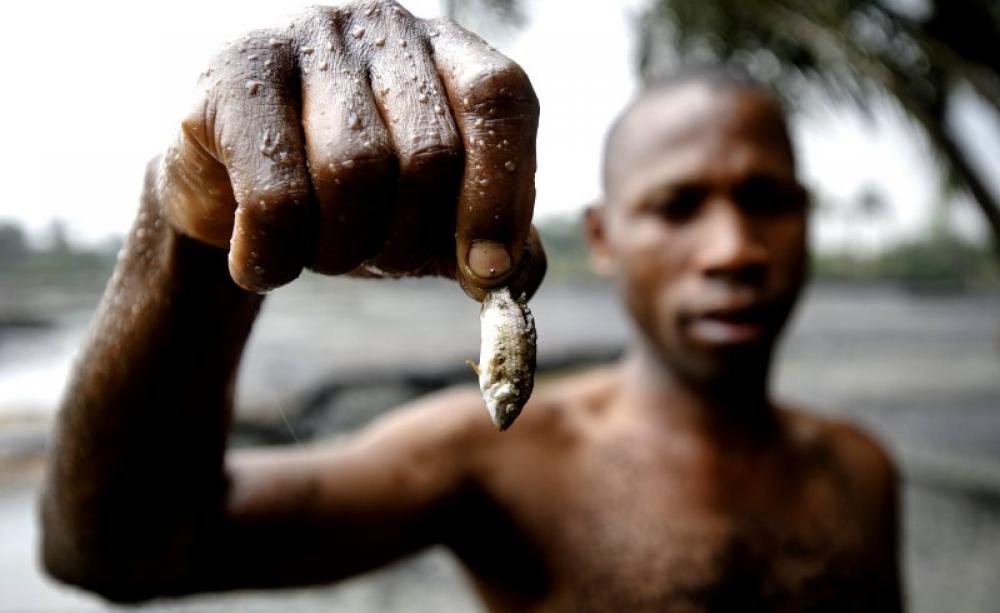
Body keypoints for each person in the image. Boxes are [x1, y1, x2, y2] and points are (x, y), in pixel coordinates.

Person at [40, 1, 902, 610]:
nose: (734, 251)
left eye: (767, 201)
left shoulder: (863, 468)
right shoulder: (494, 461)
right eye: (677, 207)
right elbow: (115, 549)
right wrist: (187, 227)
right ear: (601, 237)